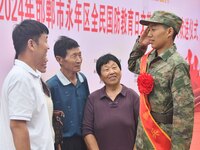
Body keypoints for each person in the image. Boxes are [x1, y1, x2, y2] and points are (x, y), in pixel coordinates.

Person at [128, 10, 194, 150]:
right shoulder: (149, 58)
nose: (149, 34)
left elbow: (183, 114)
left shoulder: (177, 64)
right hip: (143, 135)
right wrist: (141, 44)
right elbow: (132, 64)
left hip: (162, 136)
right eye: (148, 30)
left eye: (153, 29)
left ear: (169, 31)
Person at [0, 19, 54, 150]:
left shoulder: (30, 76)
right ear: (31, 44)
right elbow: (18, 126)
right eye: (45, 40)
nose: (48, 46)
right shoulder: (20, 77)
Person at [82, 53, 139, 150]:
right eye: (106, 69)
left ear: (120, 71)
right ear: (100, 76)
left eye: (114, 67)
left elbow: (142, 129)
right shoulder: (93, 99)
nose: (111, 72)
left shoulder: (132, 96)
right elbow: (87, 130)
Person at [47, 36, 90, 150]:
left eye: (80, 55)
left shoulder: (83, 79)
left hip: (85, 140)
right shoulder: (51, 85)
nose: (79, 60)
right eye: (74, 56)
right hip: (63, 143)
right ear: (59, 59)